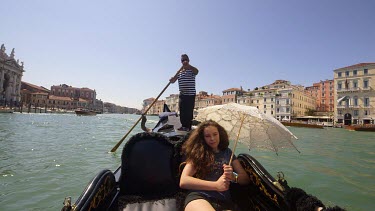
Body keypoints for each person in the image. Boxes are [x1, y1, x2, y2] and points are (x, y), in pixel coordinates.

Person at [180, 120, 250, 211]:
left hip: (223, 200)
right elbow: (184, 181)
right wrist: (216, 185)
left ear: (220, 134)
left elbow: (245, 179)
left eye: (215, 134)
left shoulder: (228, 153)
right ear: (203, 138)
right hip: (199, 197)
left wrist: (233, 177)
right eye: (207, 136)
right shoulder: (199, 154)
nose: (212, 138)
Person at [170, 54, 199, 131]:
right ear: (181, 62)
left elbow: (197, 71)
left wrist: (188, 66)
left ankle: (188, 128)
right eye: (183, 60)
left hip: (191, 95)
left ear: (188, 60)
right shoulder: (179, 72)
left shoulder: (192, 70)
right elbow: (173, 81)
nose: (184, 61)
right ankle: (183, 127)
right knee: (182, 111)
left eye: (186, 59)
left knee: (189, 112)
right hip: (182, 94)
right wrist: (171, 79)